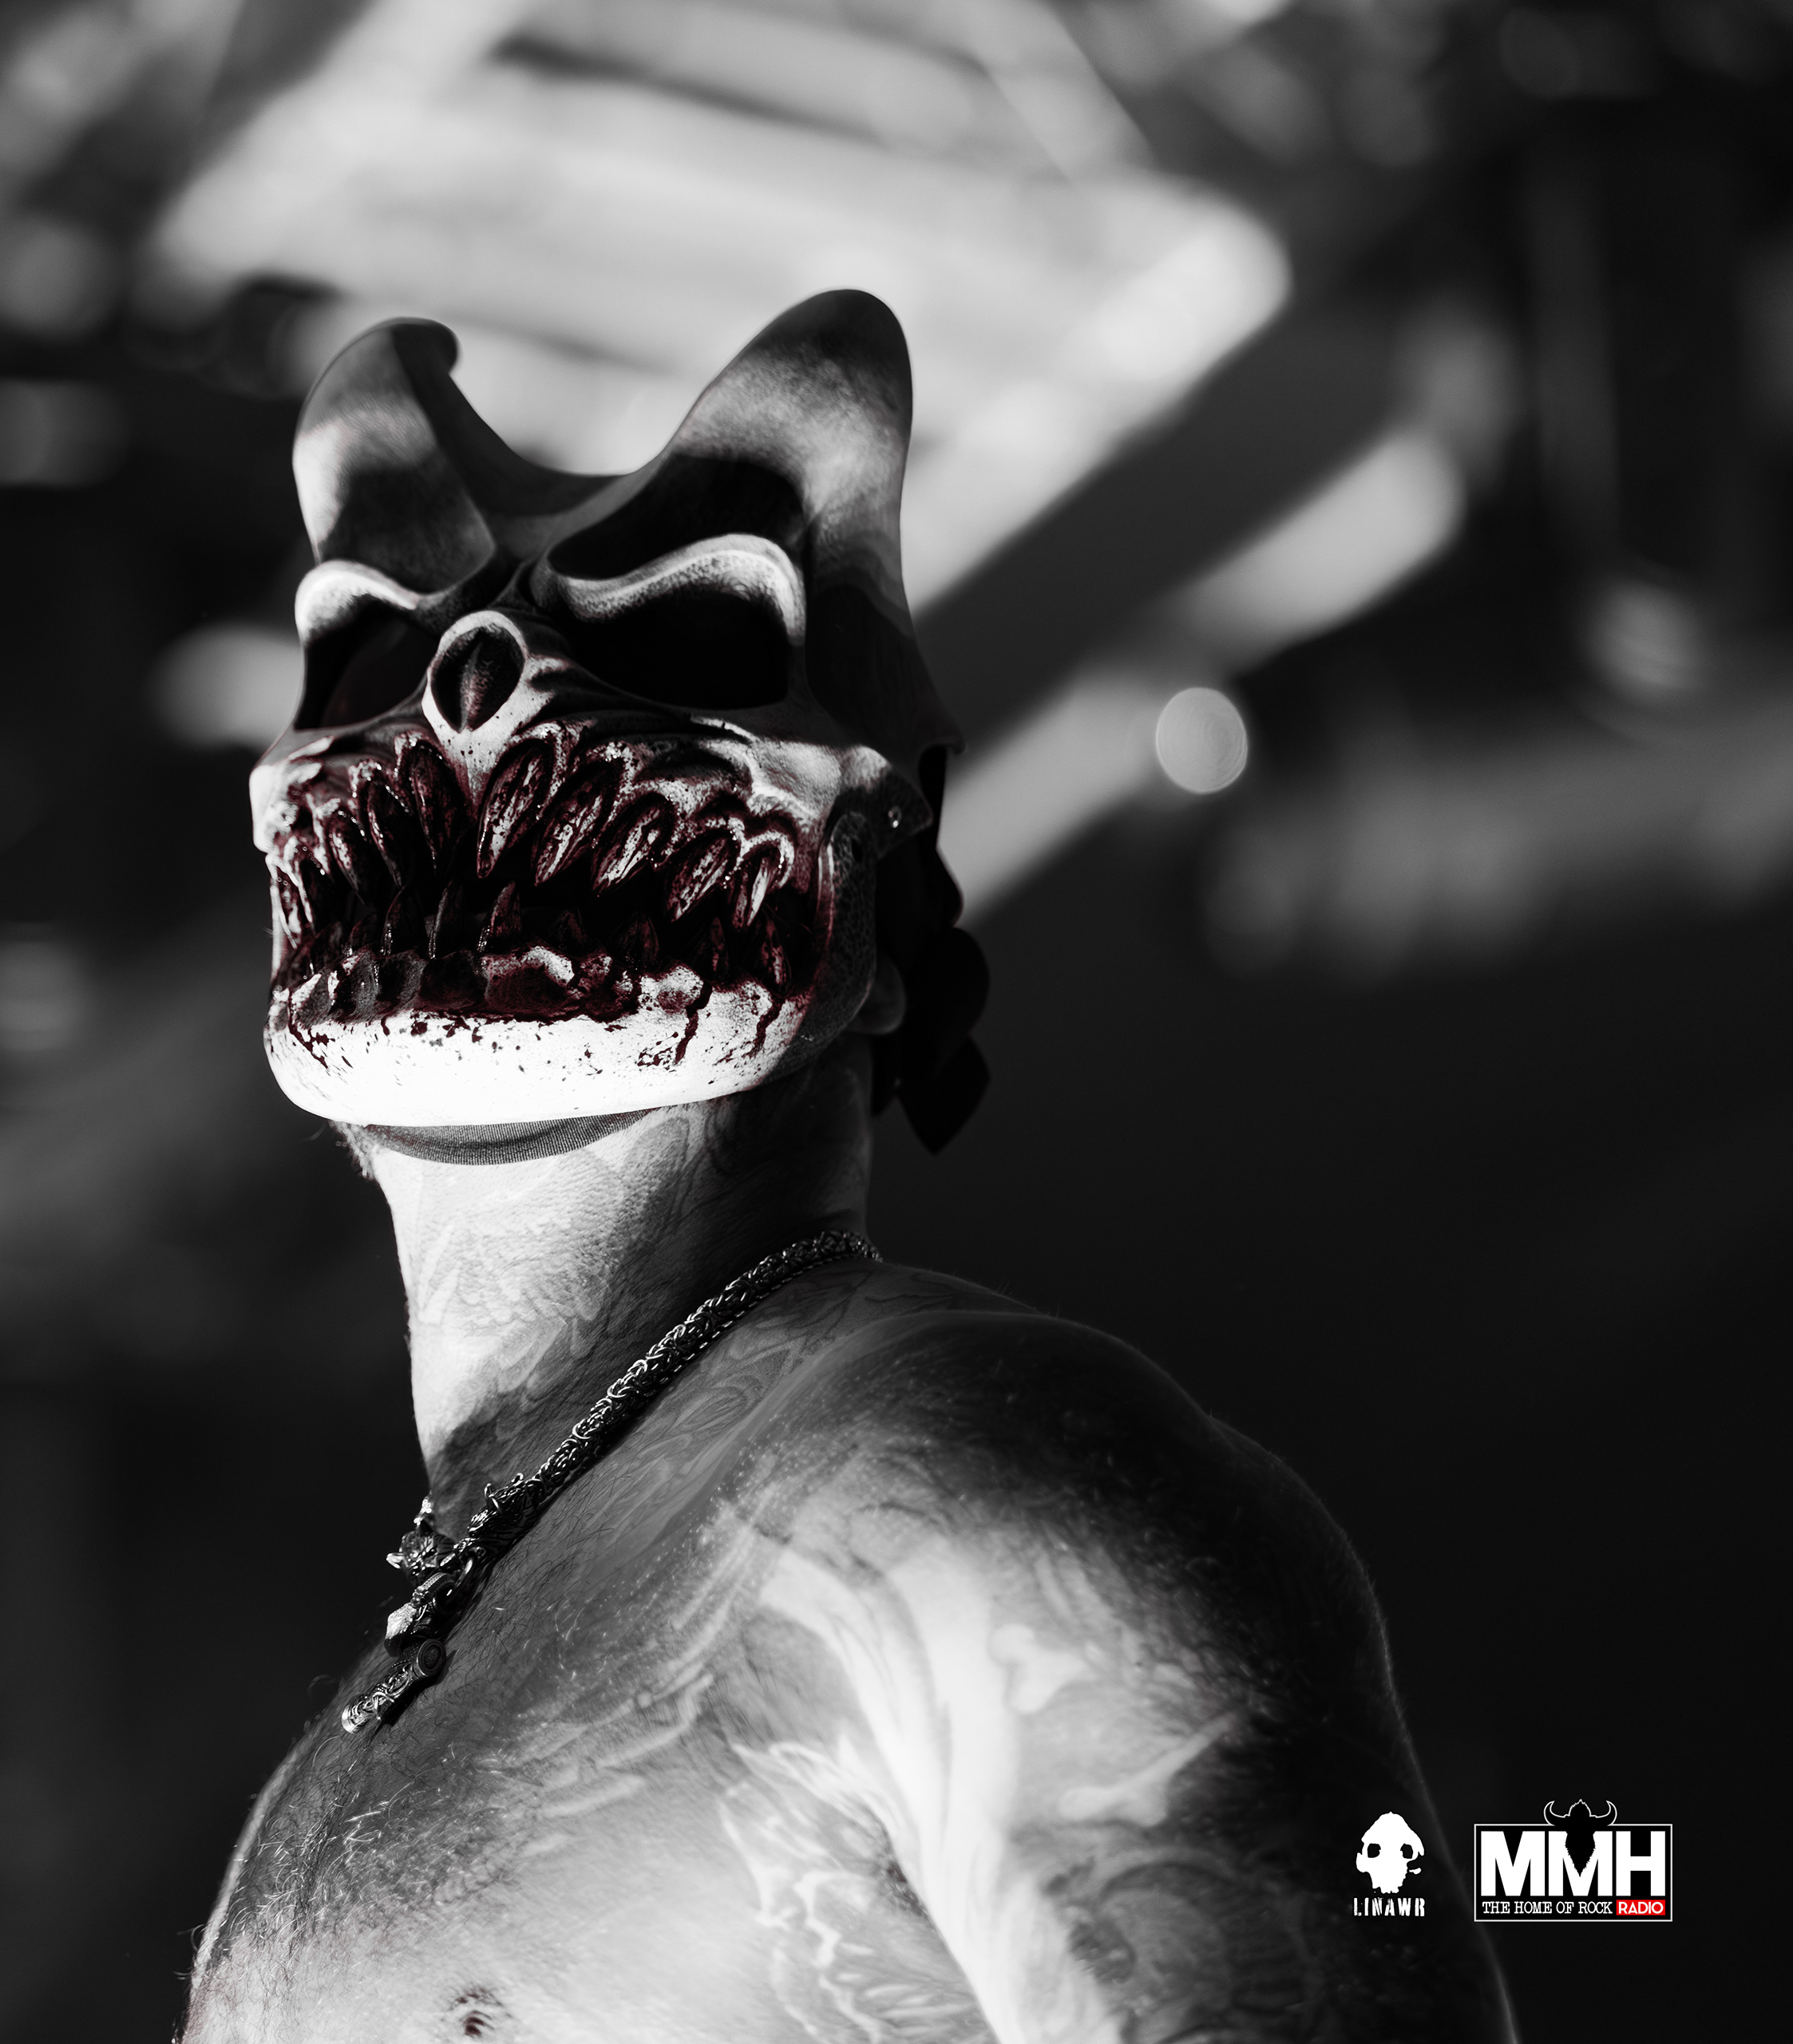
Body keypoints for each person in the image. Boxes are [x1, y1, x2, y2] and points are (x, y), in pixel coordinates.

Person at [183, 295, 1510, 2042]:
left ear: (883, 924)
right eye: (371, 646)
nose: (469, 687)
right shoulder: (393, 1693)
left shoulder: (951, 1487)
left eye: (691, 636)